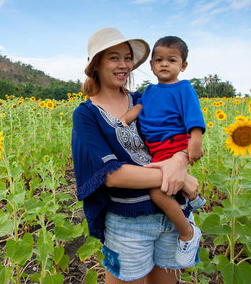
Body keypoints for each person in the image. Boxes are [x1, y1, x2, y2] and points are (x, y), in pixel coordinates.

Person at [72, 27, 200, 284]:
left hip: (173, 214)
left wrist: (181, 160)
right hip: (129, 223)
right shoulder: (86, 114)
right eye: (114, 57)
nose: (124, 65)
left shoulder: (145, 98)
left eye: (127, 58)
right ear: (96, 64)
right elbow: (111, 176)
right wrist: (178, 177)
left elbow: (180, 134)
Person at [119, 36, 206, 267]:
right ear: (151, 65)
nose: (164, 64)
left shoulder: (183, 88)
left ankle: (187, 233)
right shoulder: (150, 91)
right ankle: (193, 197)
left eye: (171, 60)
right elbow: (140, 106)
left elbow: (193, 114)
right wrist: (126, 118)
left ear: (183, 66)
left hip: (174, 142)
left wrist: (195, 139)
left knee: (158, 193)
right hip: (156, 149)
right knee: (170, 182)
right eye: (159, 60)